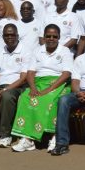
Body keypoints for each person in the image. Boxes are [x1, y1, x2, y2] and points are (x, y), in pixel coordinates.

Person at [10, 24, 73, 152]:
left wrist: (48, 90)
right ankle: (27, 139)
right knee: (25, 97)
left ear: (59, 37)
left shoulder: (65, 51)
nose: (51, 38)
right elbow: (31, 72)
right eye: (48, 36)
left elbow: (66, 73)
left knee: (49, 100)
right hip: (38, 83)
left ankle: (54, 137)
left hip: (58, 83)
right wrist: (33, 88)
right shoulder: (37, 50)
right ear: (43, 37)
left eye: (54, 36)